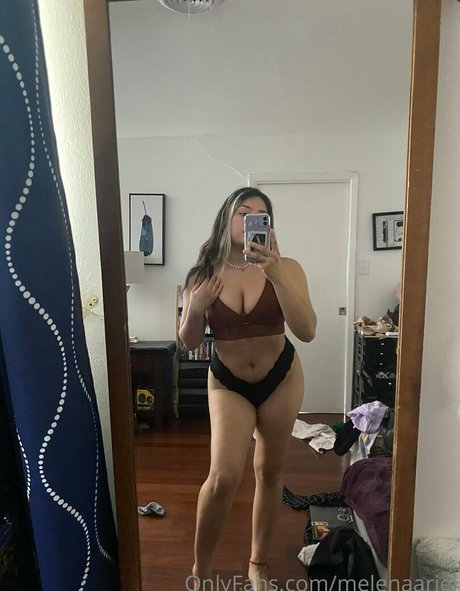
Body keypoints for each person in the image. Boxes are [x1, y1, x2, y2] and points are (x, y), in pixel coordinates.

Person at [179, 187, 317, 590]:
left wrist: (276, 276)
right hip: (229, 383)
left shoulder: (287, 268)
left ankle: (258, 565)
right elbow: (189, 341)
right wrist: (195, 307)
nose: (251, 219)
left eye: (261, 214)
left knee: (269, 471)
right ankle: (202, 571)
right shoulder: (203, 274)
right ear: (227, 218)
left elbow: (307, 330)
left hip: (281, 378)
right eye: (243, 212)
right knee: (223, 476)